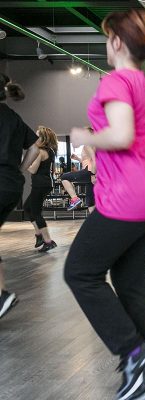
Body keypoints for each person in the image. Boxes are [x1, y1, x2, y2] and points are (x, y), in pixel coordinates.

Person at [63, 9, 145, 400]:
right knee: (131, 285)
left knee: (80, 273)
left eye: (106, 39)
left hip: (126, 200)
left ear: (116, 41)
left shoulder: (116, 81)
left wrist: (86, 136)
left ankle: (134, 354)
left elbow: (121, 133)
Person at [0, 73, 39, 319]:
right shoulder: (11, 116)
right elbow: (35, 146)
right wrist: (20, 170)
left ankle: (2, 296)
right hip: (11, 185)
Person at [24, 126, 58, 252]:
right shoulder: (50, 151)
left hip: (40, 185)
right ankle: (39, 235)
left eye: (37, 135)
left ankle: (48, 241)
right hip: (46, 183)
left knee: (36, 212)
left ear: (43, 138)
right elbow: (51, 169)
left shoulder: (39, 151)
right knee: (28, 208)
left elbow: (33, 169)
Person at [61, 128, 96, 212]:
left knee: (64, 177)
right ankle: (94, 222)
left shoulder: (88, 145)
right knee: (90, 201)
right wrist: (77, 159)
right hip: (90, 171)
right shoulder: (92, 145)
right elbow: (88, 160)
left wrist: (93, 175)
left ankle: (75, 199)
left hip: (89, 172)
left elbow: (95, 159)